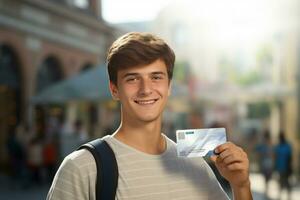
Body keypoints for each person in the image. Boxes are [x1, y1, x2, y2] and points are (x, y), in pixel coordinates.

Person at [47, 32, 252, 200]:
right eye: (132, 78)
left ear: (169, 86)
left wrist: (241, 186)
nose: (146, 89)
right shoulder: (81, 168)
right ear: (114, 89)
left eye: (156, 77)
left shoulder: (195, 165)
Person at [274, 131, 293, 199]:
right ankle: (283, 196)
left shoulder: (280, 147)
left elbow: (290, 157)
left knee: (286, 182)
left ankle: (287, 196)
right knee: (283, 182)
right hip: (282, 167)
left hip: (284, 167)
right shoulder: (283, 146)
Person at [255, 130, 273, 197]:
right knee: (267, 176)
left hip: (264, 162)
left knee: (266, 177)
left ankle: (266, 188)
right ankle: (267, 188)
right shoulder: (270, 143)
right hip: (268, 162)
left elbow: (258, 150)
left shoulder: (263, 143)